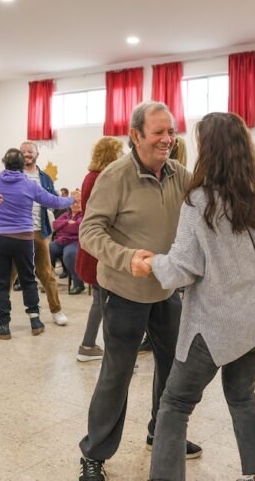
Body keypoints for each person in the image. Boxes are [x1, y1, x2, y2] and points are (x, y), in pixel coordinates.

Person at [141, 112, 255, 481]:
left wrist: (151, 263)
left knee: (175, 404)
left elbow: (184, 266)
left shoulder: (198, 200)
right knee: (243, 398)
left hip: (212, 324)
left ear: (207, 149)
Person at [77, 101, 196, 481]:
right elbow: (89, 231)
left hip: (167, 290)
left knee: (172, 368)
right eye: (159, 132)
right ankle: (94, 453)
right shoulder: (115, 175)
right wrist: (126, 257)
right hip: (124, 290)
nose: (167, 139)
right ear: (136, 135)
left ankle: (161, 433)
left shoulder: (180, 174)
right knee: (117, 372)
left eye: (171, 131)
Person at [0, 149, 73, 340]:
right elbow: (54, 201)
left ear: (4, 162)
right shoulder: (29, 184)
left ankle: (3, 325)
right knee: (28, 279)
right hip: (24, 239)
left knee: (1, 283)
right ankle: (35, 320)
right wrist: (72, 199)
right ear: (22, 166)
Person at [75, 136, 124, 362]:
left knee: (99, 301)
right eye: (119, 151)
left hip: (92, 245)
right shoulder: (102, 178)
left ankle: (87, 344)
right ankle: (111, 355)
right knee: (106, 303)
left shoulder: (90, 176)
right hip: (101, 247)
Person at [19, 141, 67, 325]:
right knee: (10, 274)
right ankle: (2, 315)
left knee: (46, 272)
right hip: (17, 231)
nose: (27, 154)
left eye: (30, 151)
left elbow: (53, 201)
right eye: (23, 151)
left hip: (39, 231)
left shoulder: (45, 178)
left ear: (37, 154)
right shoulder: (12, 175)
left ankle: (56, 311)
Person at [49, 191, 85, 295]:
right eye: (74, 202)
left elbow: (77, 228)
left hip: (76, 241)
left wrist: (64, 227)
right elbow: (55, 225)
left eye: (78, 202)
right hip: (61, 241)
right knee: (46, 250)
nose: (76, 204)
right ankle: (49, 280)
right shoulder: (66, 215)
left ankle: (78, 284)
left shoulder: (84, 215)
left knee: (69, 254)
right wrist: (66, 223)